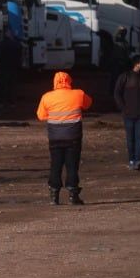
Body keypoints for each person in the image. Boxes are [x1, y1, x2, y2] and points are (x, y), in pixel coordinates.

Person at [36, 71, 93, 205]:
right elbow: (88, 104)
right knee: (72, 165)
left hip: (55, 137)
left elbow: (41, 116)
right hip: (73, 136)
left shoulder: (47, 97)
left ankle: (54, 195)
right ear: (69, 81)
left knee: (55, 165)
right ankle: (73, 195)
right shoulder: (78, 94)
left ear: (55, 82)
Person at [113, 55, 140, 170]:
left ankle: (138, 160)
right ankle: (132, 160)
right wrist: (123, 108)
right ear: (136, 64)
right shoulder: (125, 77)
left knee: (139, 138)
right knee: (130, 138)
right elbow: (117, 93)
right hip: (128, 114)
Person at [0, 26, 23, 105]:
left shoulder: (3, 43)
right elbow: (19, 54)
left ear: (6, 33)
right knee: (12, 86)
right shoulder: (16, 44)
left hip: (4, 67)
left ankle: (1, 102)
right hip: (13, 67)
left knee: (3, 85)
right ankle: (12, 102)